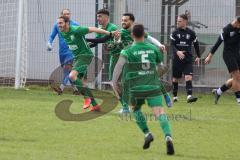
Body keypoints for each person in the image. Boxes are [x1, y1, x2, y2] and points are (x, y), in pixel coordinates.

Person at [87, 12, 172, 112]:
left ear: (132, 21)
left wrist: (160, 45)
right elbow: (109, 42)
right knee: (114, 83)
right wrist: (115, 41)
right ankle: (125, 107)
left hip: (131, 59)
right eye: (122, 20)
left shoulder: (136, 31)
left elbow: (149, 38)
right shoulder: (119, 32)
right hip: (115, 58)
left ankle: (165, 95)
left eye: (125, 20)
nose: (123, 22)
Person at [112, 24, 174, 155]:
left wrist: (115, 83)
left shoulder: (127, 50)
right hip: (152, 86)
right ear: (144, 35)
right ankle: (168, 137)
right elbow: (160, 67)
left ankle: (147, 133)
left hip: (136, 87)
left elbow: (118, 69)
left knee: (135, 109)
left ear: (132, 35)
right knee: (160, 112)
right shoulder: (154, 49)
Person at [58, 15, 113, 111]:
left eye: (61, 23)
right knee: (81, 83)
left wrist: (109, 33)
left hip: (85, 56)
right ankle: (95, 105)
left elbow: (94, 29)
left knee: (72, 76)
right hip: (78, 57)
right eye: (58, 23)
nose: (59, 25)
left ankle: (87, 98)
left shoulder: (76, 30)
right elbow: (75, 44)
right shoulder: (63, 33)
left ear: (67, 23)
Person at [205, 17, 240, 104]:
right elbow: (217, 43)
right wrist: (209, 56)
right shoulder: (226, 30)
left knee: (236, 78)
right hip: (228, 55)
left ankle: (218, 92)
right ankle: (239, 99)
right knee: (237, 77)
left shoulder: (238, 28)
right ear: (237, 22)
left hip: (237, 55)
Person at [47, 9, 79, 95]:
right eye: (65, 14)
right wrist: (49, 43)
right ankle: (75, 89)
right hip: (62, 52)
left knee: (67, 70)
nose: (67, 15)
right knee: (68, 71)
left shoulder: (75, 25)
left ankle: (61, 88)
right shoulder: (58, 25)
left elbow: (81, 37)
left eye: (68, 14)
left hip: (72, 52)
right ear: (61, 15)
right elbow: (52, 36)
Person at [170, 14, 201, 103]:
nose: (177, 22)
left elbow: (196, 44)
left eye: (179, 21)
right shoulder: (174, 33)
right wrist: (177, 52)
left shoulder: (191, 33)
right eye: (177, 21)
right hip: (177, 59)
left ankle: (189, 96)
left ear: (185, 22)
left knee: (188, 77)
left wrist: (198, 56)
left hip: (188, 59)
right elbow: (172, 45)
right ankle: (175, 97)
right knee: (175, 79)